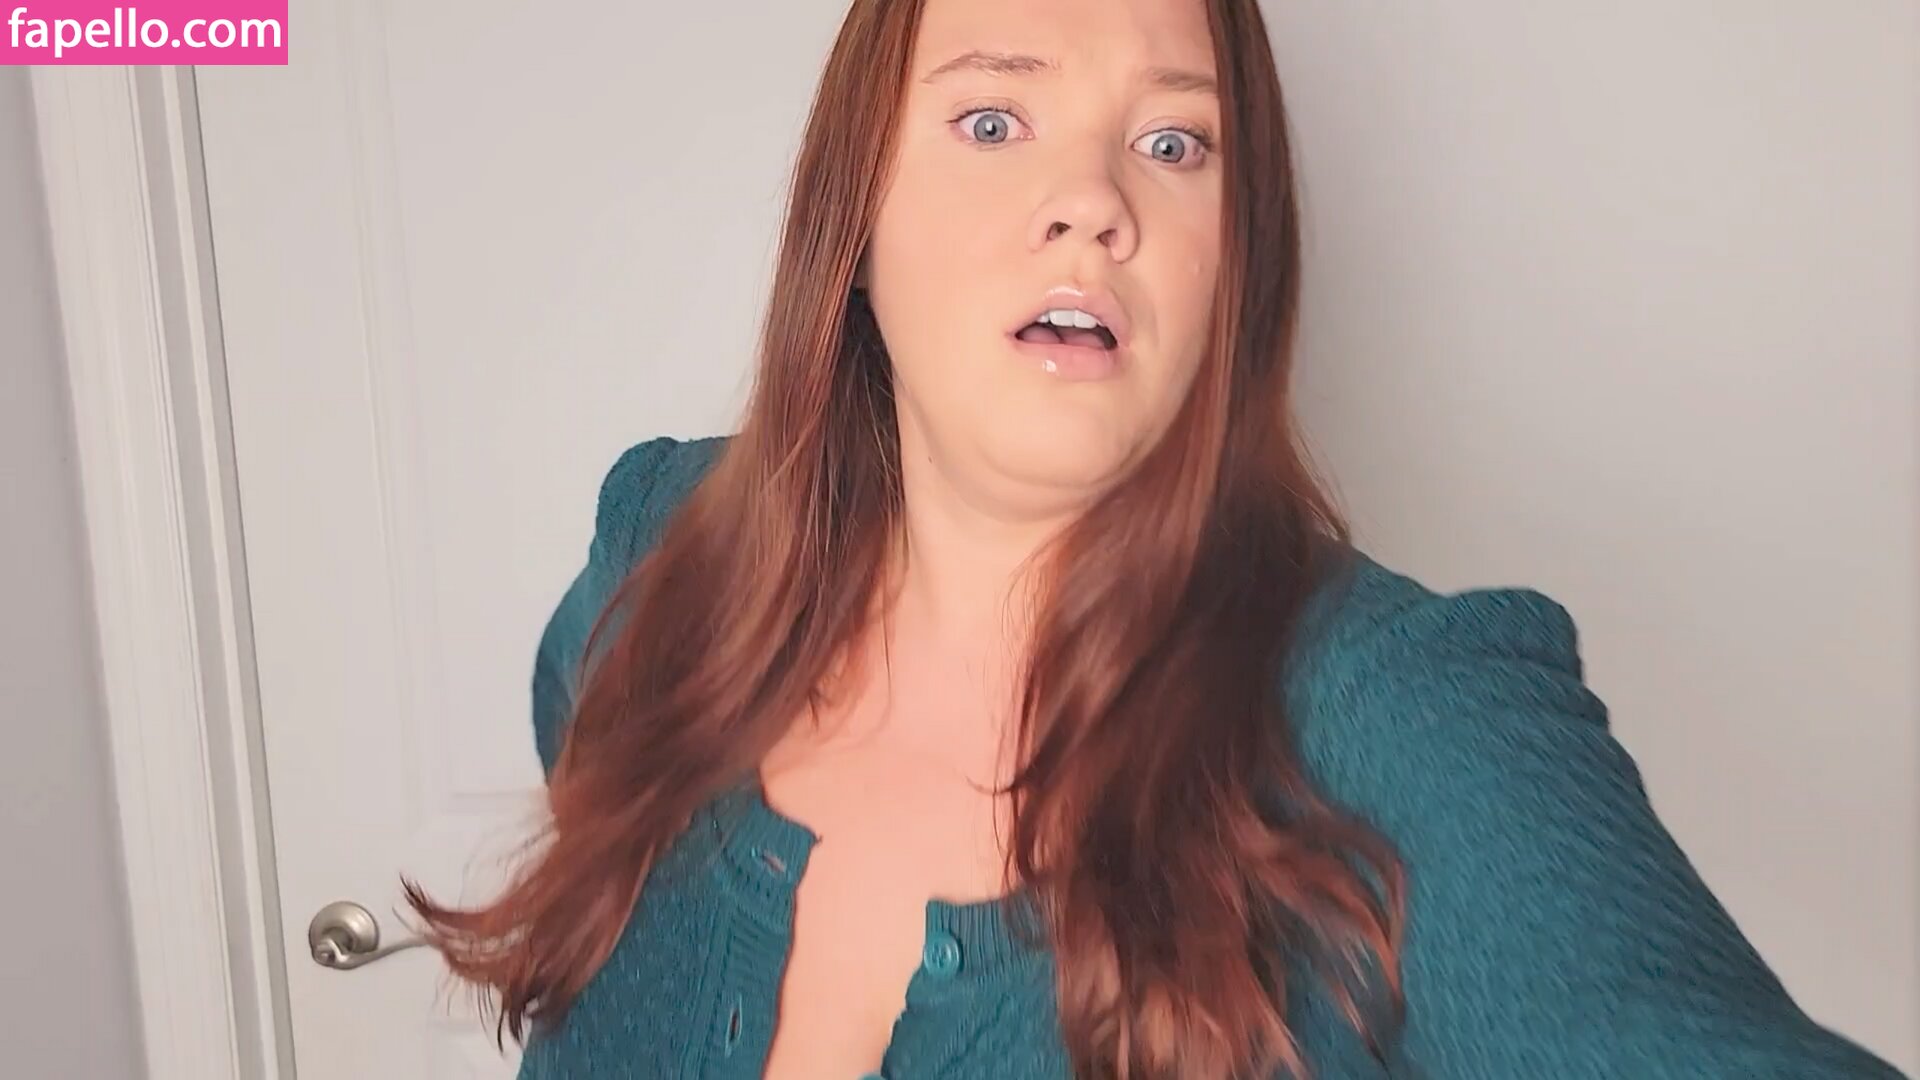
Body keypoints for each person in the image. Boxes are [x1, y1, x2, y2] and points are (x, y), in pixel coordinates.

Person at [406, 0, 1909, 1077]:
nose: (1092, 201)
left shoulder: (1405, 712)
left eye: (1175, 142)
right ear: (853, 215)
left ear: (1233, 262)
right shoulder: (660, 551)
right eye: (993, 121)